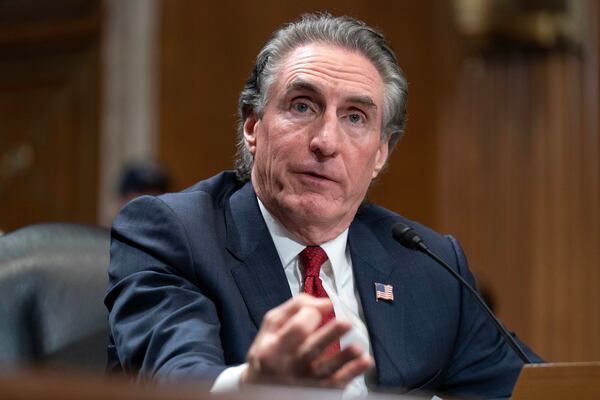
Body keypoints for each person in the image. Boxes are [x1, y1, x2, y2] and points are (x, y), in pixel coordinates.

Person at [105, 13, 541, 398]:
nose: (326, 142)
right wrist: (254, 385)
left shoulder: (429, 265)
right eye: (302, 106)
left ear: (380, 154)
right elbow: (175, 380)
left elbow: (539, 387)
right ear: (253, 127)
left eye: (355, 117)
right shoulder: (174, 233)